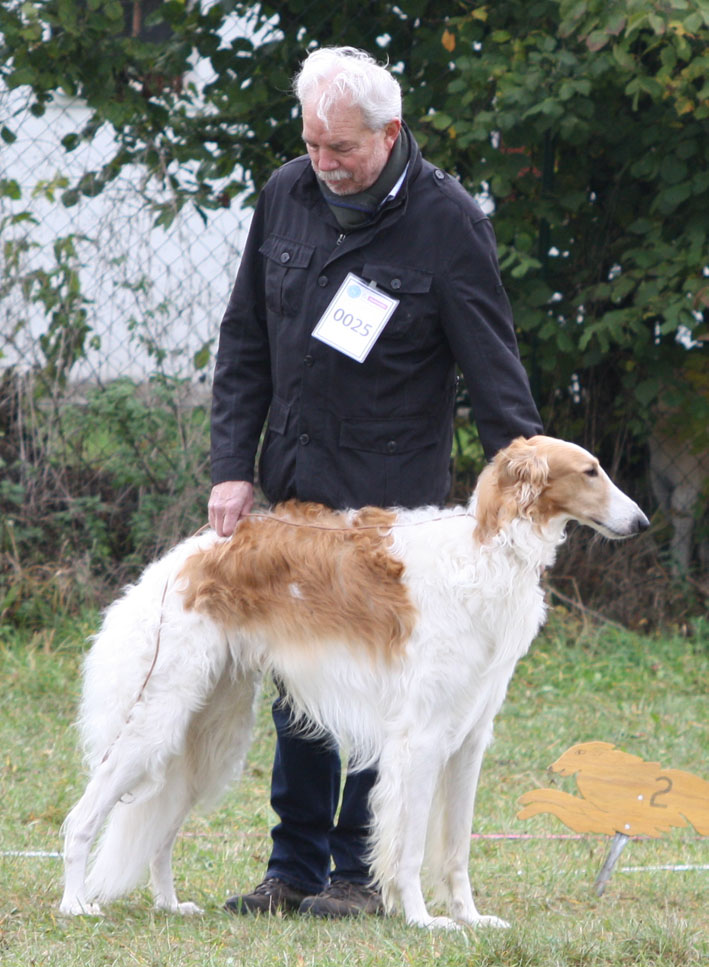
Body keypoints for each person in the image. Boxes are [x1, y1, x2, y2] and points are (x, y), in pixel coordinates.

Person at [208, 46, 543, 918]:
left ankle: (360, 874)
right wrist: (231, 467)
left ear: (389, 134)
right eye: (312, 144)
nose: (323, 163)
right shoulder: (285, 193)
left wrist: (526, 486)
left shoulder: (447, 221)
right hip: (298, 492)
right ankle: (292, 867)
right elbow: (244, 339)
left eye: (342, 148)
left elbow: (493, 367)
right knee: (300, 682)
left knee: (380, 687)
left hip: (391, 508)